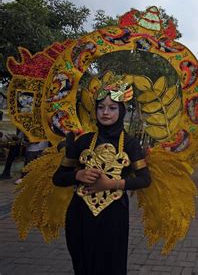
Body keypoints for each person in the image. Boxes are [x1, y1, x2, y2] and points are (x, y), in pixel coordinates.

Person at [52, 75, 151, 275]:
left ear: (121, 110)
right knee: (83, 265)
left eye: (112, 108)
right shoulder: (82, 141)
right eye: (101, 107)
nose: (105, 112)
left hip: (113, 217)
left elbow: (144, 179)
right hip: (79, 215)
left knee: (111, 266)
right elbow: (58, 178)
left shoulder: (131, 144)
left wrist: (111, 184)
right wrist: (78, 175)